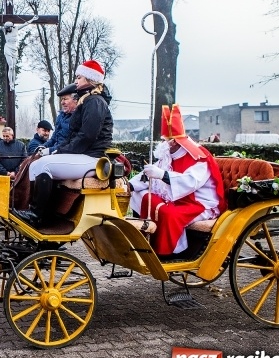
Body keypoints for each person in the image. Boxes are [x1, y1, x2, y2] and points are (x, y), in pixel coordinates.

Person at [15, 60, 113, 226]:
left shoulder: (95, 102)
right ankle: (37, 211)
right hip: (83, 155)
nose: (76, 81)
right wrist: (55, 149)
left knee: (43, 166)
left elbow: (86, 136)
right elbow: (73, 136)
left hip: (92, 158)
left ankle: (38, 216)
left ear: (90, 80)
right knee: (36, 165)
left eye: (79, 77)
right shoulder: (87, 101)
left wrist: (59, 151)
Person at [129, 105, 226, 257]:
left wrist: (162, 175)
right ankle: (145, 242)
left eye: (165, 140)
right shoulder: (169, 153)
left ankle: (170, 252)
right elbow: (150, 175)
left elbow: (190, 182)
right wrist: (130, 185)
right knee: (143, 196)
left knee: (168, 214)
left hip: (198, 203)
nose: (162, 143)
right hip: (178, 198)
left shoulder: (198, 156)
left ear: (174, 141)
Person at [0, 14, 38, 89]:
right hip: (8, 48)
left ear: (11, 27)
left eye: (8, 28)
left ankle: (13, 83)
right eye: (6, 28)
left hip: (14, 49)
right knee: (10, 66)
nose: (7, 29)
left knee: (13, 67)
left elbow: (25, 24)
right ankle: (10, 83)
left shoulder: (16, 29)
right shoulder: (4, 30)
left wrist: (33, 19)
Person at [43, 84, 78, 153]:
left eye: (65, 99)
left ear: (75, 99)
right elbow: (54, 138)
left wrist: (50, 150)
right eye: (61, 99)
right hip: (57, 151)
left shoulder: (78, 118)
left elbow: (71, 143)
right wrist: (43, 146)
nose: (62, 102)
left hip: (67, 153)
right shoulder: (60, 116)